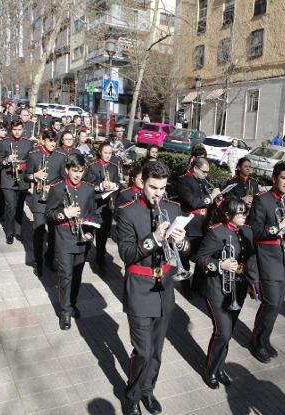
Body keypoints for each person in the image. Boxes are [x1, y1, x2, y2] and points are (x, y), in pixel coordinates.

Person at [117, 160, 189, 415]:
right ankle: (132, 395)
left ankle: (148, 390)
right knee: (143, 351)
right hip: (139, 288)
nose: (158, 193)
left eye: (162, 188)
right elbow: (126, 254)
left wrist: (181, 244)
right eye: (153, 187)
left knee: (157, 351)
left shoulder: (173, 207)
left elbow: (186, 248)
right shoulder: (127, 211)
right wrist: (154, 239)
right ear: (141, 182)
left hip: (165, 286)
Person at [195, 197, 259, 389]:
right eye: (239, 212)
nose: (243, 215)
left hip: (237, 289)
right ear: (228, 214)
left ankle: (219, 366)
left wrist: (251, 284)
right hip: (216, 289)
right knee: (222, 332)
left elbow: (250, 260)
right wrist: (219, 264)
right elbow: (199, 258)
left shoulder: (247, 231)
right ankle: (211, 370)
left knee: (228, 332)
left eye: (244, 212)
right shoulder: (215, 233)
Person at [247, 161, 285, 363]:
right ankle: (256, 341)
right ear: (274, 178)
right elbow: (253, 231)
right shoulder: (262, 200)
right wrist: (277, 228)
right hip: (268, 258)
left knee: (278, 304)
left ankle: (264, 338)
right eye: (284, 178)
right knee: (270, 303)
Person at [45, 153, 99, 330]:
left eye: (81, 171)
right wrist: (64, 214)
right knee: (66, 276)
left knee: (77, 276)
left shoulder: (89, 189)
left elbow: (94, 215)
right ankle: (65, 311)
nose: (78, 175)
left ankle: (72, 303)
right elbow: (48, 215)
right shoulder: (58, 188)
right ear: (67, 169)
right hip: (64, 240)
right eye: (74, 171)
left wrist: (91, 231)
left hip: (82, 240)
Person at [176, 157, 222, 294]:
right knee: (185, 256)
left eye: (207, 172)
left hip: (203, 225)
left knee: (202, 256)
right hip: (189, 225)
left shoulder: (203, 181)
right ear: (195, 168)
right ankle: (185, 287)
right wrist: (211, 197)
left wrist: (218, 198)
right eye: (204, 172)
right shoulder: (183, 180)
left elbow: (207, 201)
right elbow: (192, 202)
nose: (206, 175)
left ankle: (197, 285)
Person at [24, 131, 66, 277]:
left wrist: (54, 187)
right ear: (42, 141)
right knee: (39, 232)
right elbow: (25, 176)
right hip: (39, 200)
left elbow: (63, 179)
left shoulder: (61, 157)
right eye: (50, 141)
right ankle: (38, 262)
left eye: (55, 141)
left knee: (54, 234)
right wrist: (35, 175)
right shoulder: (33, 155)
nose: (53, 144)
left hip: (54, 200)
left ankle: (49, 259)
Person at [84, 142, 120, 270]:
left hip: (106, 205)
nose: (108, 155)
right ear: (100, 152)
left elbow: (118, 183)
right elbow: (87, 185)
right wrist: (100, 186)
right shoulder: (92, 165)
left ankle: (100, 260)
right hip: (94, 205)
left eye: (110, 153)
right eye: (105, 153)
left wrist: (113, 185)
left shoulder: (114, 167)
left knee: (102, 236)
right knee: (88, 234)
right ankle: (82, 256)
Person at [0, 121, 33, 244]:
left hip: (23, 178)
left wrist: (30, 176)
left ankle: (18, 231)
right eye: (15, 129)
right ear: (10, 130)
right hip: (8, 179)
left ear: (23, 129)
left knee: (19, 207)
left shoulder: (28, 143)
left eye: (19, 129)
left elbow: (31, 162)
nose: (17, 132)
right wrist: (7, 160)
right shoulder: (4, 142)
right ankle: (9, 233)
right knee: (11, 206)